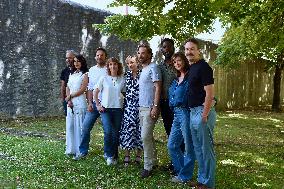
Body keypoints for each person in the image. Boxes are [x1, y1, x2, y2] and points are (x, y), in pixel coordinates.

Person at [184, 38, 217, 189]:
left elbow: (209, 94)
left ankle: (208, 183)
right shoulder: (192, 68)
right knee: (198, 148)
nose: (189, 52)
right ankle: (202, 180)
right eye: (187, 49)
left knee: (206, 149)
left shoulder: (204, 67)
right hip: (192, 112)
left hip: (202, 112)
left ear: (199, 51)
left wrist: (204, 114)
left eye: (192, 49)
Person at [167, 52, 196, 186]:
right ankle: (181, 173)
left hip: (186, 112)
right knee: (172, 145)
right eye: (174, 62)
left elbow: (202, 92)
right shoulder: (175, 79)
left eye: (179, 60)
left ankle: (185, 176)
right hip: (176, 114)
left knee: (189, 146)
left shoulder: (191, 78)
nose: (177, 63)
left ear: (184, 61)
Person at [94, 57, 125, 166]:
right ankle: (108, 154)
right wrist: (98, 104)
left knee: (116, 133)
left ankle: (115, 156)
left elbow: (125, 93)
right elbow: (95, 92)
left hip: (118, 109)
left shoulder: (122, 79)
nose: (113, 66)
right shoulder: (104, 78)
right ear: (108, 66)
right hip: (105, 109)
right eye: (110, 64)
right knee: (108, 131)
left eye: (115, 64)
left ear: (118, 66)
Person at [137, 44, 162, 178]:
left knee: (144, 136)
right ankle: (154, 161)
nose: (140, 55)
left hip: (150, 107)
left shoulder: (154, 67)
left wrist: (155, 106)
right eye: (139, 53)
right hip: (141, 107)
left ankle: (147, 167)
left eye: (143, 53)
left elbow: (158, 87)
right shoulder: (143, 69)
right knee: (148, 137)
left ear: (149, 55)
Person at [78, 48, 108, 158]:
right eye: (97, 55)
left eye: (102, 55)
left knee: (107, 129)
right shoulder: (92, 70)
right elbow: (90, 89)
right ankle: (82, 151)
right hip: (94, 104)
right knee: (85, 127)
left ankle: (107, 153)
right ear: (95, 57)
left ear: (105, 57)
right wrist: (89, 103)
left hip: (105, 105)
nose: (99, 57)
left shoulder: (108, 69)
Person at [119, 55, 143, 167]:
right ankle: (127, 155)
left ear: (137, 62)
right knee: (128, 130)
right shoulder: (126, 75)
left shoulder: (143, 74)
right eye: (128, 63)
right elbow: (123, 90)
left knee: (140, 130)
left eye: (132, 62)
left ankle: (138, 155)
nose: (130, 65)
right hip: (129, 106)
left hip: (141, 106)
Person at [65, 54, 88, 159]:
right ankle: (71, 149)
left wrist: (70, 96)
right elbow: (67, 87)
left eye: (78, 61)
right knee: (70, 126)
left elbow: (83, 89)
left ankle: (80, 151)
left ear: (82, 62)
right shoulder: (72, 74)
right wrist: (69, 99)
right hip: (71, 103)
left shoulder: (85, 74)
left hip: (80, 102)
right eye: (74, 61)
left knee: (80, 127)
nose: (76, 63)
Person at [159, 38, 176, 137]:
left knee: (179, 132)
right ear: (162, 50)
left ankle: (183, 152)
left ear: (173, 48)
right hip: (164, 103)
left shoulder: (179, 64)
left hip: (177, 103)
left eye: (169, 46)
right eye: (164, 47)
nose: (167, 49)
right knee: (169, 130)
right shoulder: (159, 67)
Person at [60, 50, 76, 116]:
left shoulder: (81, 71)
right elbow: (63, 86)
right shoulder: (64, 71)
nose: (68, 60)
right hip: (68, 100)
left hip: (78, 99)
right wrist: (64, 100)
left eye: (70, 58)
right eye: (67, 58)